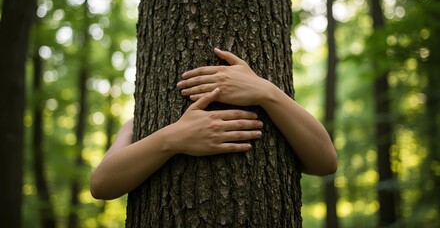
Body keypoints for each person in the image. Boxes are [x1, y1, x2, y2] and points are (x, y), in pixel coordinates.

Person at [90, 48, 338, 200]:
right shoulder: (137, 123)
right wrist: (172, 138)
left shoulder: (278, 110)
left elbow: (326, 162)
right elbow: (101, 185)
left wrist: (266, 91)